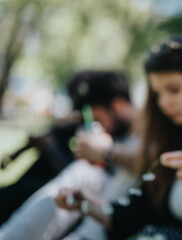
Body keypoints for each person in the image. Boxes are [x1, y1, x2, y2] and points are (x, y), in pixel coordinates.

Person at [54, 36, 182, 240]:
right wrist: (84, 203)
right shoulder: (170, 145)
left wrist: (107, 152)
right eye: (157, 94)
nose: (164, 102)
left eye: (174, 90)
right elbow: (131, 217)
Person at [0, 70, 139, 240]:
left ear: (117, 105)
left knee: (83, 173)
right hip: (95, 215)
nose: (98, 127)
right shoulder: (118, 133)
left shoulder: (146, 134)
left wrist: (106, 152)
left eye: (98, 120)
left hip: (115, 216)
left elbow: (148, 159)